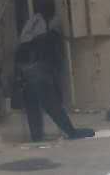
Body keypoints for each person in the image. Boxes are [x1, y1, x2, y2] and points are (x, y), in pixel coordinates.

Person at [13, 13, 95, 141]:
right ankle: (71, 132)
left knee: (33, 107)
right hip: (40, 77)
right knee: (53, 106)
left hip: (26, 79)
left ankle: (37, 136)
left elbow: (18, 65)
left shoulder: (23, 43)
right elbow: (54, 65)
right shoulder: (49, 40)